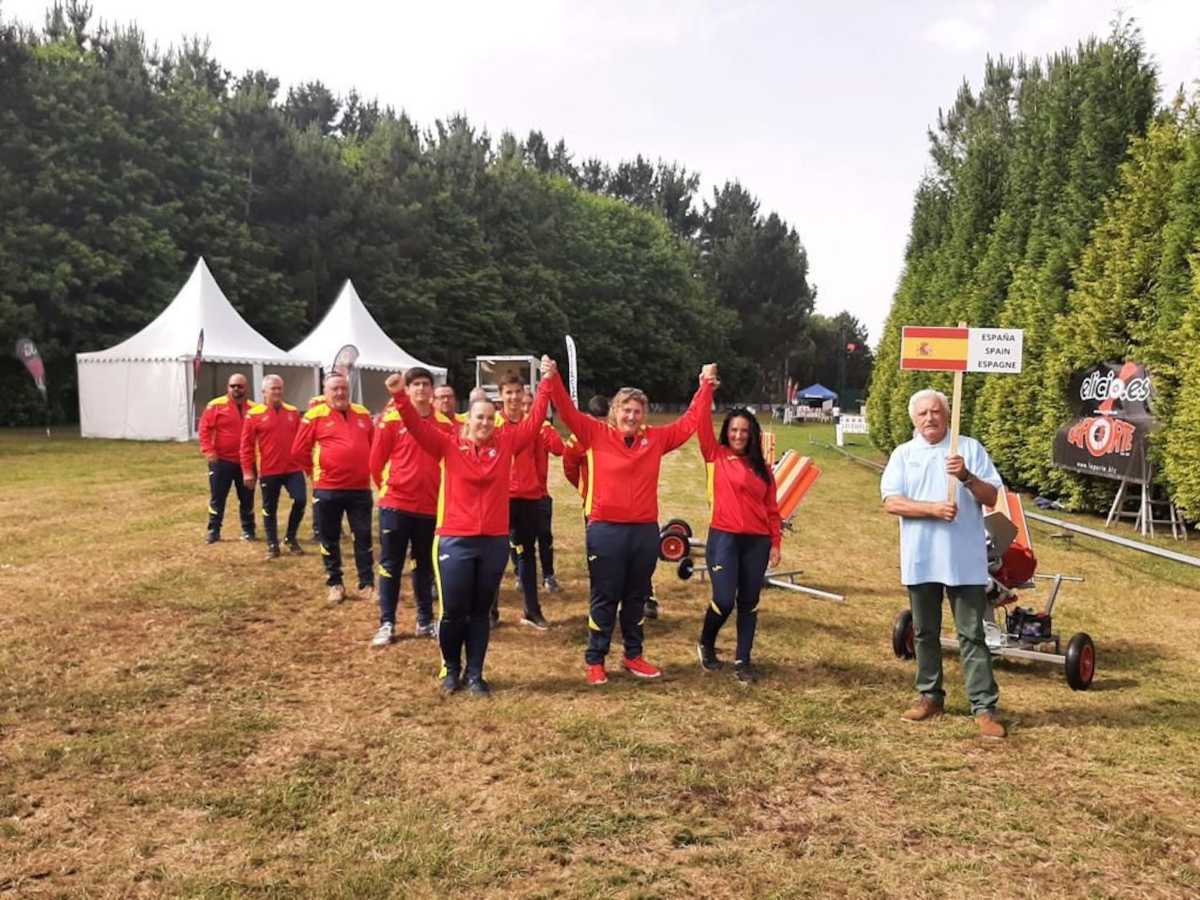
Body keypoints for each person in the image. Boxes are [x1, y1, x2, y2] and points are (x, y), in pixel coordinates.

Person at [385, 360, 554, 695]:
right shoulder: (447, 444)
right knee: (452, 611)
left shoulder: (506, 443)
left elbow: (535, 421)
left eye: (490, 418)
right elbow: (416, 428)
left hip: (492, 541)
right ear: (467, 420)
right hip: (454, 540)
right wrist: (399, 395)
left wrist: (548, 383)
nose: (485, 423)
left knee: (479, 612)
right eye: (479, 417)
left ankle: (475, 673)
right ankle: (450, 669)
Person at [547, 363, 717, 685]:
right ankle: (595, 659)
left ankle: (633, 656)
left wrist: (705, 386)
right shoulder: (594, 433)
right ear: (614, 411)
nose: (632, 416)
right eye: (626, 410)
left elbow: (689, 422)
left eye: (638, 411)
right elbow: (567, 412)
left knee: (636, 596)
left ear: (645, 415)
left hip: (643, 532)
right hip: (605, 530)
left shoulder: (654, 439)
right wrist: (552, 378)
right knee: (605, 596)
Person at [881, 388, 1006, 740]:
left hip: (964, 560)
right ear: (913, 419)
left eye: (936, 411)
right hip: (921, 558)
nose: (930, 418)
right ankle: (930, 696)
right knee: (924, 631)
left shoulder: (968, 448)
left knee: (972, 633)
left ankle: (983, 707)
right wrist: (933, 510)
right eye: (922, 413)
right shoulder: (904, 454)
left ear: (948, 415)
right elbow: (891, 502)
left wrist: (966, 477)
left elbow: (992, 496)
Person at [694, 397, 782, 685]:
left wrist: (776, 543)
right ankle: (706, 642)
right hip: (724, 539)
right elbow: (701, 424)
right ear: (726, 431)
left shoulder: (763, 468)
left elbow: (772, 509)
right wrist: (705, 387)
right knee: (723, 599)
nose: (738, 435)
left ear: (752, 434)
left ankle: (743, 660)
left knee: (749, 601)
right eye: (733, 430)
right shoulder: (716, 455)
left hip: (757, 542)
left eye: (744, 431)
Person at [368, 367, 452, 645]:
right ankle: (387, 623)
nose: (421, 390)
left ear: (432, 390)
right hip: (396, 505)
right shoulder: (391, 420)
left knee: (424, 566)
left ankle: (424, 621)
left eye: (426, 384)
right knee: (391, 564)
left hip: (429, 508)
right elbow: (376, 462)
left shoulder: (445, 424)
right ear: (408, 389)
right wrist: (388, 491)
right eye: (415, 384)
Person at [291, 373, 375, 605]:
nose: (340, 393)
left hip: (359, 488)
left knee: (364, 537)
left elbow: (374, 444)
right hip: (328, 489)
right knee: (329, 538)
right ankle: (335, 583)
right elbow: (298, 450)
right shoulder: (314, 416)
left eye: (343, 388)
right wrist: (314, 473)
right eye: (334, 389)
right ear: (325, 392)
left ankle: (366, 584)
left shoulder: (363, 414)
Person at [494, 374, 553, 629]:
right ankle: (490, 611)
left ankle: (531, 610)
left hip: (528, 497)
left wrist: (539, 489)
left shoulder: (532, 425)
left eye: (518, 392)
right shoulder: (493, 424)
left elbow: (541, 459)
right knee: (495, 555)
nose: (514, 397)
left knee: (527, 555)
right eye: (509, 392)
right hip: (501, 497)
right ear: (501, 395)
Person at [239, 375, 306, 559]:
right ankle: (272, 544)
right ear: (264, 392)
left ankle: (290, 538)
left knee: (300, 500)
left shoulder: (292, 412)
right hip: (269, 470)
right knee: (270, 508)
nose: (277, 392)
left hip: (293, 468)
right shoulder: (254, 415)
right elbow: (246, 446)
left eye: (279, 388)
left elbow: (302, 440)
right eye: (273, 389)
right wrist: (247, 471)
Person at [199, 373, 256, 543]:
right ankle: (214, 530)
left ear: (246, 388)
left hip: (246, 462)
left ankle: (248, 530)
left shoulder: (254, 408)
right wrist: (208, 450)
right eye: (233, 386)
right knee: (218, 497)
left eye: (240, 386)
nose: (236, 389)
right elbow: (204, 429)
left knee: (247, 498)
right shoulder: (215, 406)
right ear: (228, 387)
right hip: (221, 461)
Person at [524, 388, 565, 594]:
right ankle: (520, 575)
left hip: (540, 494)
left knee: (544, 536)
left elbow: (559, 449)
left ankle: (548, 575)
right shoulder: (511, 428)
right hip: (516, 495)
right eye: (523, 405)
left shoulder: (543, 427)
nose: (526, 409)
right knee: (519, 539)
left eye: (530, 405)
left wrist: (545, 427)